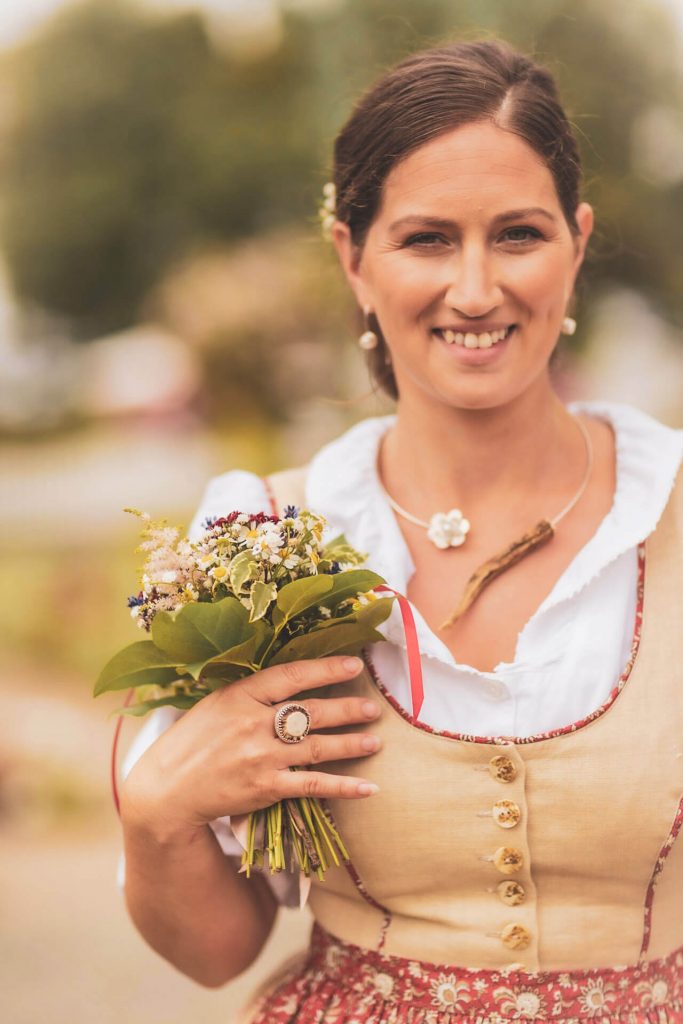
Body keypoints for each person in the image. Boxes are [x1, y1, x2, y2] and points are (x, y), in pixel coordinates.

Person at [119, 38, 683, 1023]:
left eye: (517, 234)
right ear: (351, 255)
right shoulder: (262, 537)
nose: (474, 290)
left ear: (577, 242)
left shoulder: (667, 508)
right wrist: (160, 813)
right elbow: (218, 950)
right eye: (426, 238)